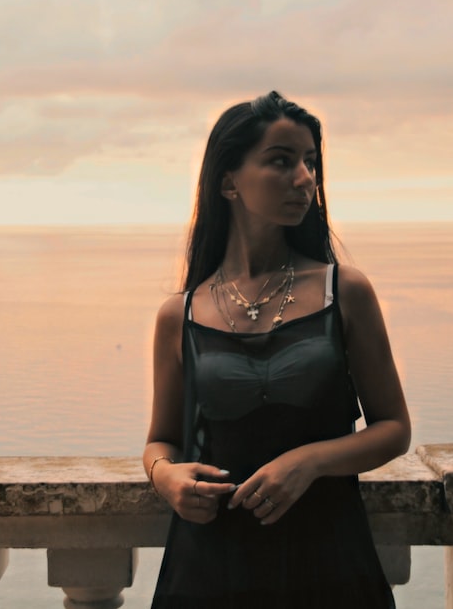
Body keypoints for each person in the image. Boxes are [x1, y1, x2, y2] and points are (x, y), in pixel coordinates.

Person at [143, 90, 411, 608]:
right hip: (210, 569)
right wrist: (167, 478)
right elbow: (160, 440)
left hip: (328, 563)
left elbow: (394, 429)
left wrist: (307, 462)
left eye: (310, 163)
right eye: (282, 161)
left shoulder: (345, 292)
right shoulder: (180, 315)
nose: (305, 179)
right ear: (228, 181)